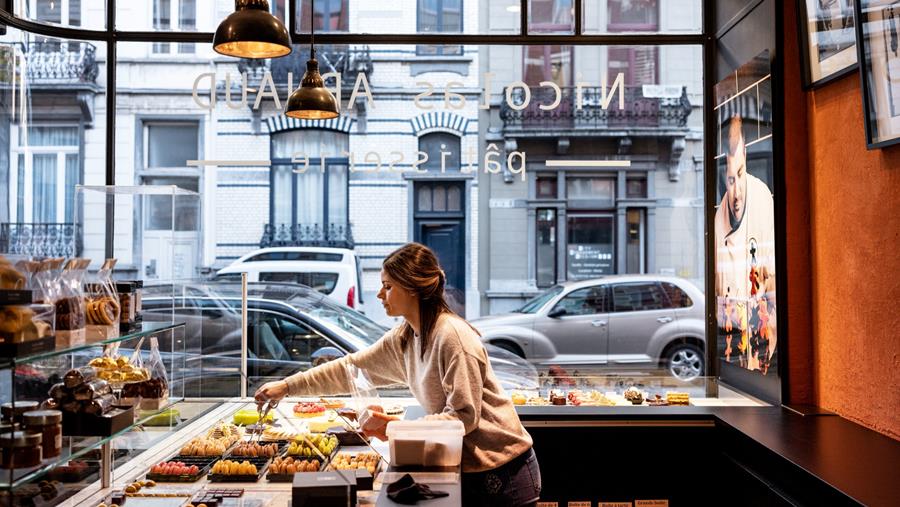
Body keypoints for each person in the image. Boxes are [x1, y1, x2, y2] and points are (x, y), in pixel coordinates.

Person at [254, 243, 541, 507]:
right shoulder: (407, 336)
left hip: (501, 473)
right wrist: (287, 386)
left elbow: (463, 417)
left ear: (412, 288)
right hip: (466, 466)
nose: (380, 294)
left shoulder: (452, 337)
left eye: (387, 287)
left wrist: (393, 426)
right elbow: (351, 368)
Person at [714, 115, 777, 373]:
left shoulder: (762, 198)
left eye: (740, 175)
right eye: (730, 180)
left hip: (764, 343)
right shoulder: (719, 219)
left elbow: (772, 282)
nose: (737, 192)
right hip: (735, 346)